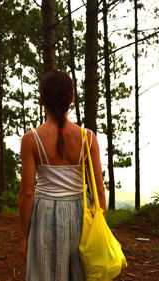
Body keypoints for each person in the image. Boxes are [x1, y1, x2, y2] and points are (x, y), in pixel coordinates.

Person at [19, 70, 106, 281]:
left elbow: (27, 194)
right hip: (80, 215)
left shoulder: (31, 139)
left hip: (44, 216)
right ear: (72, 98)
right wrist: (99, 228)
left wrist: (24, 237)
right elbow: (100, 191)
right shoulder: (88, 138)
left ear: (42, 99)